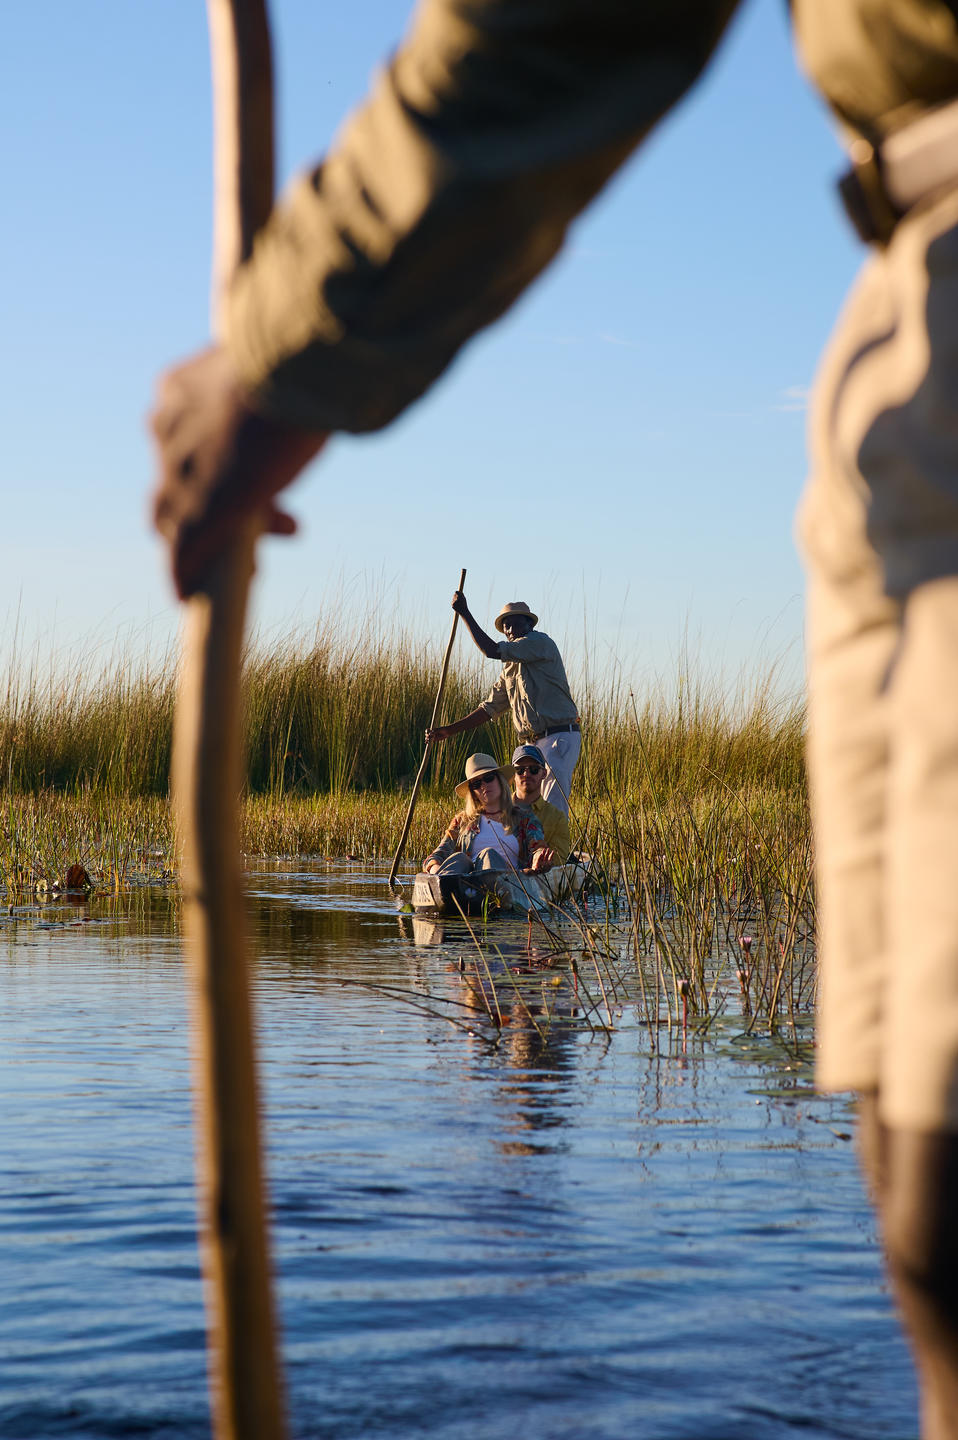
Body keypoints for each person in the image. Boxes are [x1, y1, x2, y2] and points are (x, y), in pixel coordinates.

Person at [149, 5, 958, 1433]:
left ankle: (540, 860)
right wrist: (453, 680)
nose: (502, 641)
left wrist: (296, 345)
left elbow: (566, 25)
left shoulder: (547, 665)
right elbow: (483, 691)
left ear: (525, 629)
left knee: (934, 1153)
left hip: (586, 727)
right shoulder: (504, 671)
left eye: (502, 629)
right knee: (928, 1185)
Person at [425, 595, 580, 816]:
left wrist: (465, 613)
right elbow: (489, 708)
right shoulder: (510, 666)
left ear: (529, 624)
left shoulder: (539, 642)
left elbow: (491, 651)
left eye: (515, 622)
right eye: (505, 625)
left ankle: (557, 849)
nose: (509, 628)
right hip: (532, 743)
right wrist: (449, 730)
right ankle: (528, 848)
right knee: (523, 802)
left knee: (552, 800)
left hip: (558, 737)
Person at [422, 753, 547, 878]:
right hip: (465, 887)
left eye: (488, 778)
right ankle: (444, 888)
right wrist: (436, 871)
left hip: (507, 886)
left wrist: (539, 858)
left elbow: (537, 849)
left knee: (489, 855)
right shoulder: (462, 821)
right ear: (472, 792)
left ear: (499, 780)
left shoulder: (524, 819)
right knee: (460, 859)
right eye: (476, 784)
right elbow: (436, 856)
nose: (484, 786)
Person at [510, 744, 572, 871]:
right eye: (520, 770)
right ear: (513, 775)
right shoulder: (496, 809)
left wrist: (541, 861)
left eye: (533, 769)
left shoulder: (557, 817)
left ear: (544, 773)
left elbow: (559, 860)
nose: (526, 774)